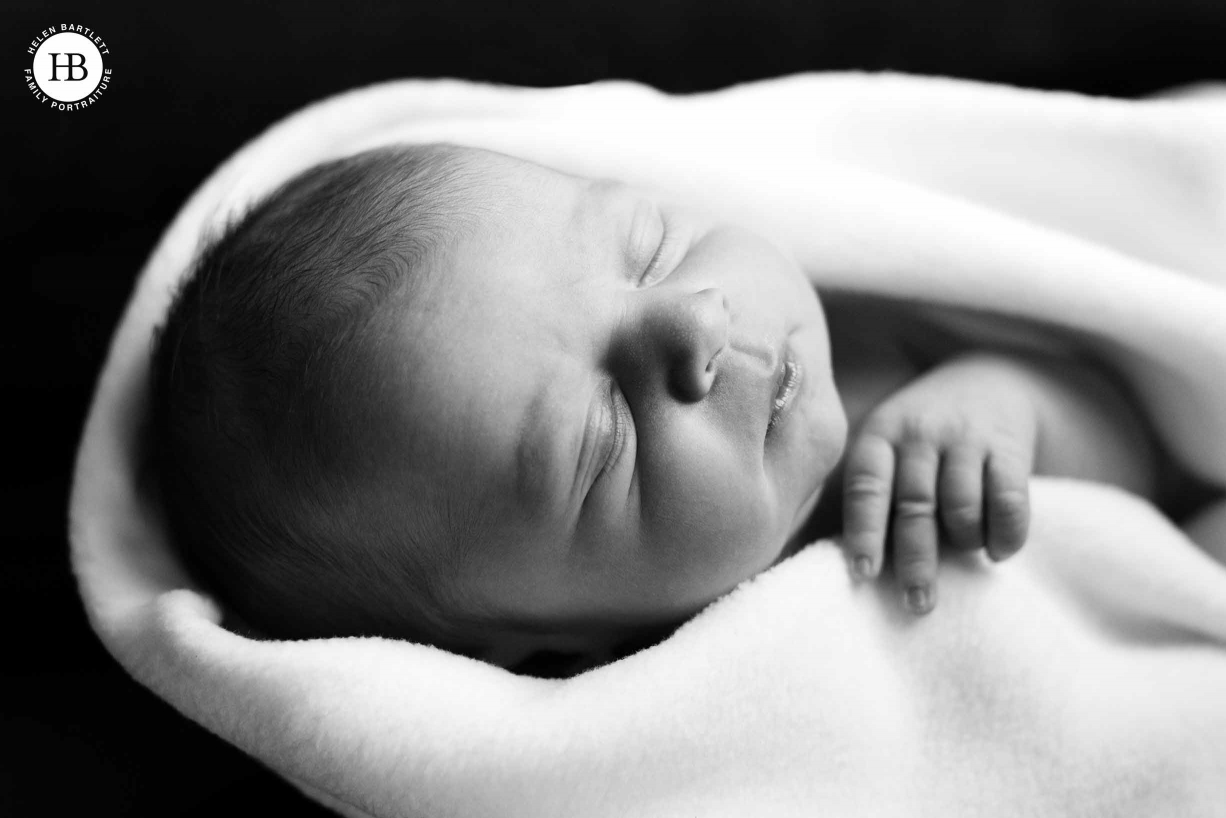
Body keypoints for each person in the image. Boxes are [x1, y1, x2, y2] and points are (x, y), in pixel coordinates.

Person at [149, 142, 1173, 674]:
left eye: (650, 246)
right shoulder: (665, 706)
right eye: (598, 443)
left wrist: (1011, 404)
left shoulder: (878, 344)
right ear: (529, 645)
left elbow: (1153, 445)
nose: (694, 326)